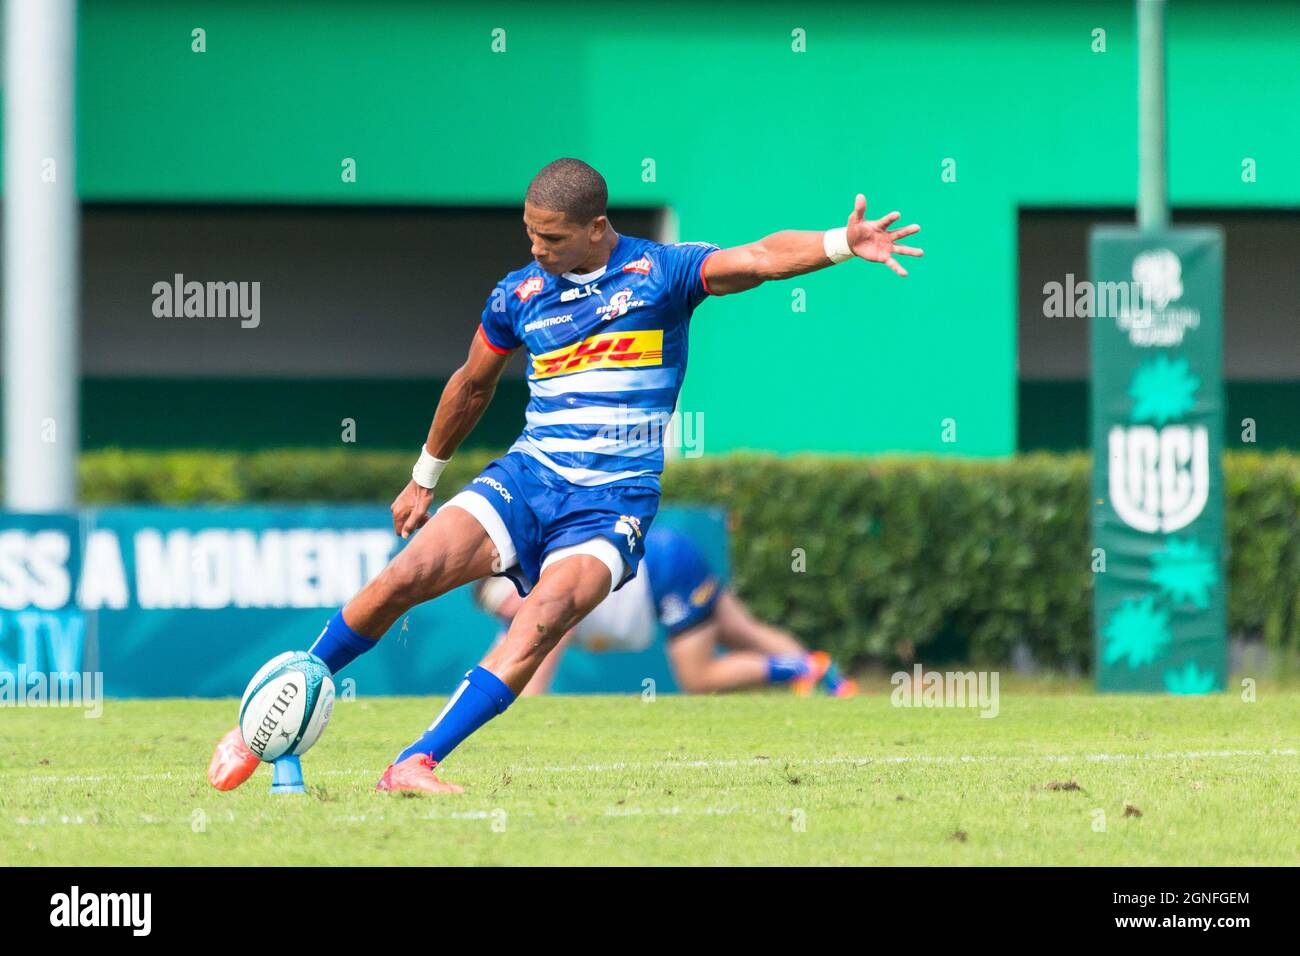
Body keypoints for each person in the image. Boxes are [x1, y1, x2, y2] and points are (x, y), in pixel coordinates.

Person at [208, 157, 921, 794]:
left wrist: (837, 244)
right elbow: (472, 385)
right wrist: (425, 477)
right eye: (530, 234)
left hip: (613, 503)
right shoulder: (518, 294)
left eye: (550, 237)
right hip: (529, 477)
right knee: (403, 578)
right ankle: (265, 721)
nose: (536, 249)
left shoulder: (661, 274)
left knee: (542, 618)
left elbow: (760, 258)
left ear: (596, 227)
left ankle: (415, 763)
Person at [471, 525, 857, 697]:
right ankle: (831, 683)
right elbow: (498, 657)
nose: (507, 606)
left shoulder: (547, 601)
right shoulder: (524, 610)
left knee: (698, 677)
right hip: (668, 550)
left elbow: (531, 685)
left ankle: (807, 670)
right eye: (499, 607)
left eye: (505, 595)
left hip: (664, 568)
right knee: (744, 632)